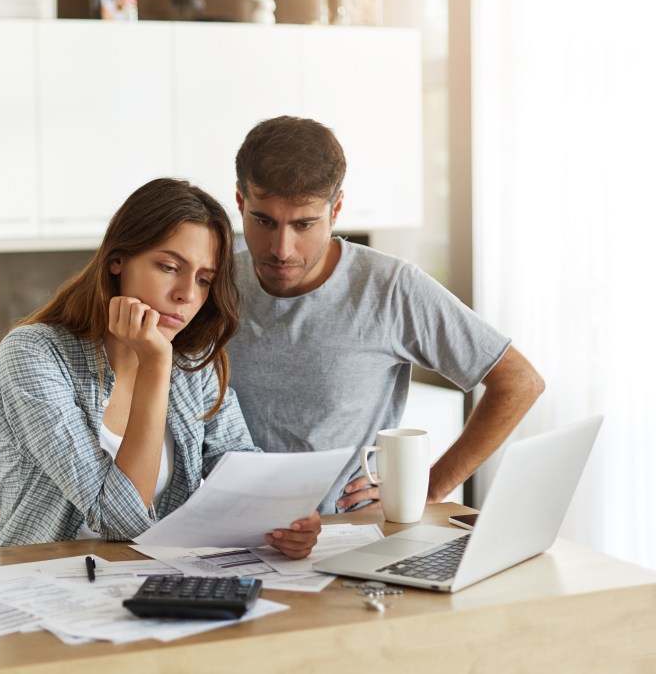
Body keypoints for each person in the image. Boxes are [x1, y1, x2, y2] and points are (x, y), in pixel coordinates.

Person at [0, 177, 321, 557]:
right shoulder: (34, 353)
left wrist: (286, 514)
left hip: (146, 581)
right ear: (117, 260)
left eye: (204, 280)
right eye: (169, 267)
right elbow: (119, 519)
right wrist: (155, 365)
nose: (186, 293)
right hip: (35, 583)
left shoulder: (191, 364)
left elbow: (237, 465)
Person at [228, 115, 545, 513]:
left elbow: (520, 382)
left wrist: (429, 486)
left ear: (336, 209)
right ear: (241, 202)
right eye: (264, 221)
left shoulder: (389, 287)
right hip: (233, 533)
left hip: (347, 534)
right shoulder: (212, 282)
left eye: (304, 224)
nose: (282, 249)